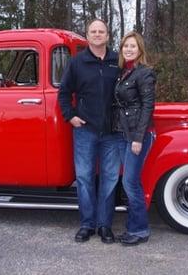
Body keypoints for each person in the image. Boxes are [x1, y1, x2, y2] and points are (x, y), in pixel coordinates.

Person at [58, 19, 122, 244]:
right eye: (93, 31)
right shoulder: (77, 63)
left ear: (107, 35)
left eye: (101, 31)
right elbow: (64, 93)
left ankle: (104, 226)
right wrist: (71, 116)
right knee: (84, 178)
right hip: (85, 130)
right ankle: (87, 225)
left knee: (110, 178)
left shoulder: (118, 61)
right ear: (87, 35)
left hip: (113, 132)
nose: (97, 34)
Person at [112, 31, 156, 246]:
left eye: (133, 46)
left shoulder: (144, 73)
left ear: (140, 50)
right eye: (125, 46)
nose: (128, 49)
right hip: (122, 133)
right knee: (129, 182)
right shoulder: (123, 72)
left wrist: (138, 138)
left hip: (137, 135)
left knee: (130, 182)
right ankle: (132, 228)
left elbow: (148, 106)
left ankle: (140, 230)